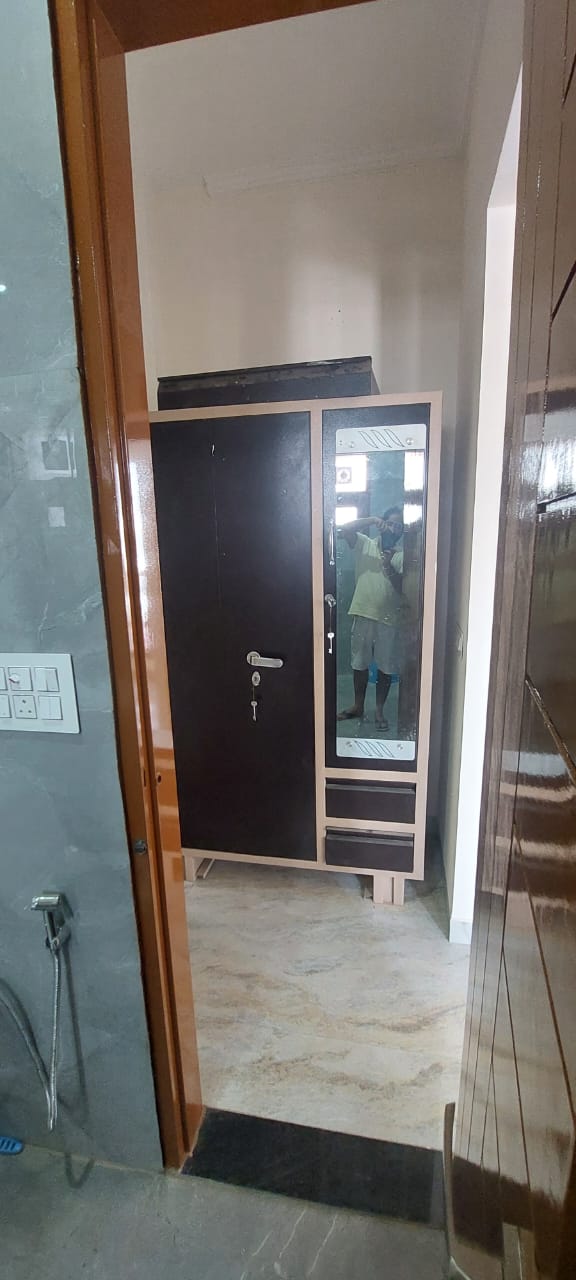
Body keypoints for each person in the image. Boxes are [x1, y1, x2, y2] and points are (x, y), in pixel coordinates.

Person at [337, 505, 409, 730]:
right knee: (359, 664)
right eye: (391, 523)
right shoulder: (365, 544)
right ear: (383, 523)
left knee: (386, 668)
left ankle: (379, 711)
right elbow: (344, 529)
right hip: (363, 613)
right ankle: (358, 706)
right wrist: (371, 520)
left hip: (390, 620)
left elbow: (403, 589)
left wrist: (389, 567)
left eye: (399, 526)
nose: (394, 529)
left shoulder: (402, 555)